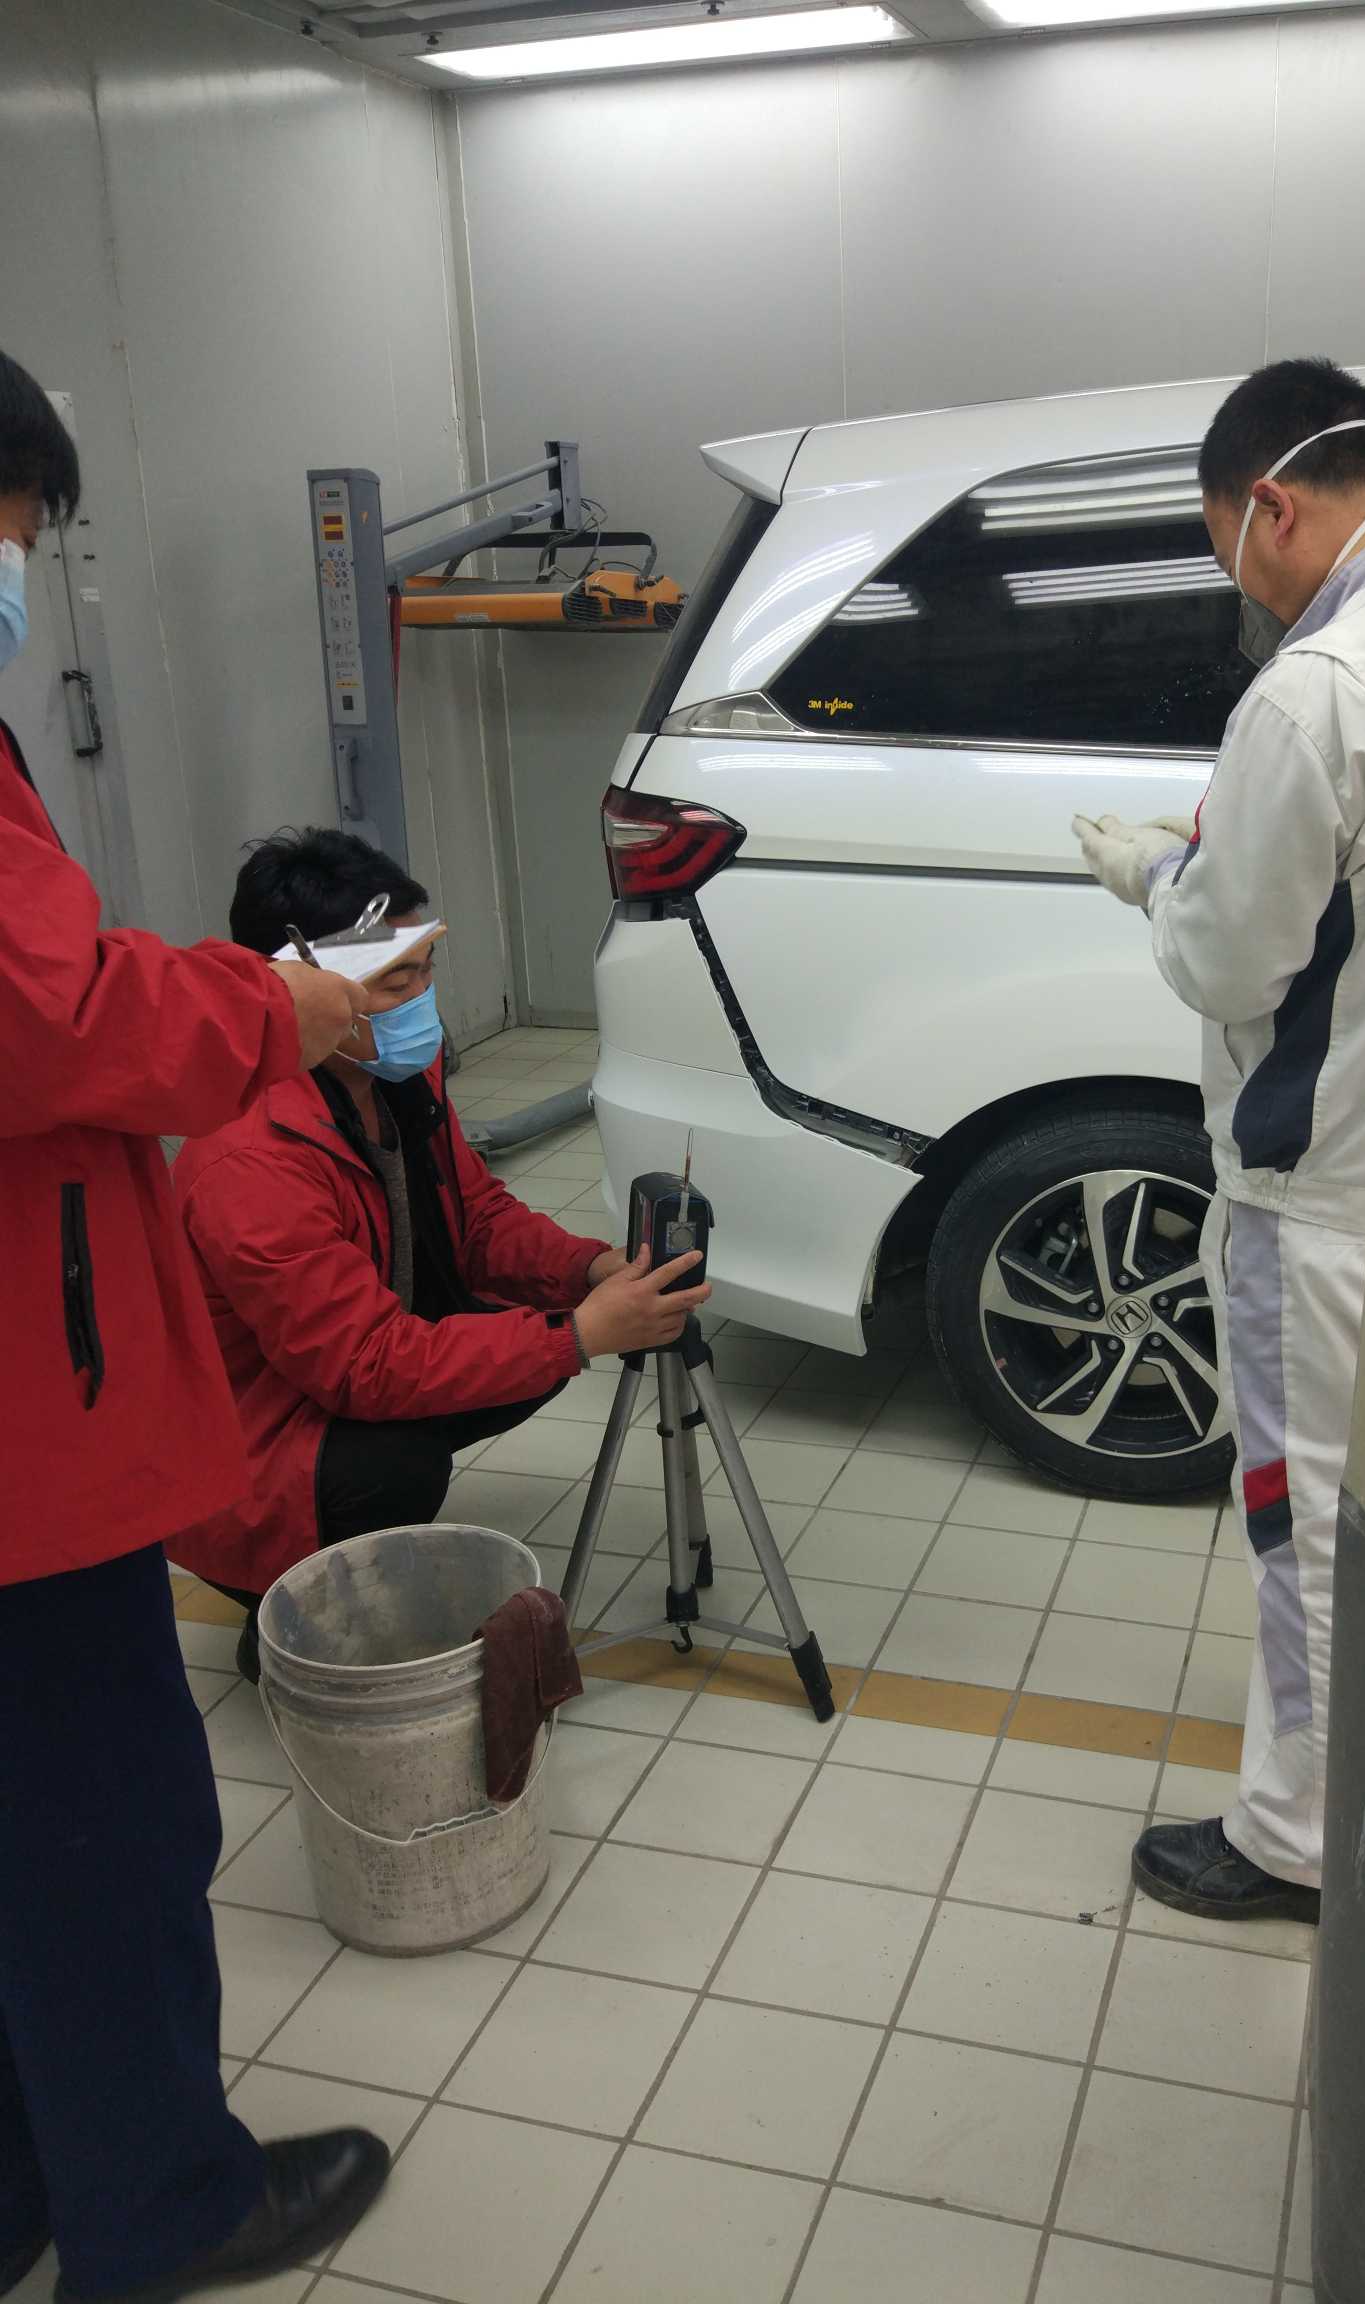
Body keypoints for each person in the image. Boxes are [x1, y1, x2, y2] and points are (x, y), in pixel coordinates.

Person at [0, 349, 391, 2302]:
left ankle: (25, 2182)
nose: (18, 574)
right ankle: (156, 2205)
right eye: (14, 531)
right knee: (103, 1826)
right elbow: (55, 1014)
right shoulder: (274, 1121)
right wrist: (273, 1014)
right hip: (27, 1439)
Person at [1076, 358, 1365, 1924]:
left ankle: (1295, 1839)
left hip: (1319, 1194)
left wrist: (1159, 881)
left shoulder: (1320, 687)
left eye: (1228, 553)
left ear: (1272, 507)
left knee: (1305, 1521)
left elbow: (1228, 962)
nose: (1241, 589)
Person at [171, 825, 708, 1675]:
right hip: (245, 1450)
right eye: (398, 980)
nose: (424, 998)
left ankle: (355, 1528)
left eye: (427, 968)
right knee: (403, 1460)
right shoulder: (251, 1159)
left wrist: (589, 1272)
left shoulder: (390, 1073)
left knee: (534, 1329)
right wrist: (581, 1334)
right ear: (304, 989)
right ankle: (279, 1604)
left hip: (327, 1373)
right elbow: (362, 1364)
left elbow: (477, 1218)